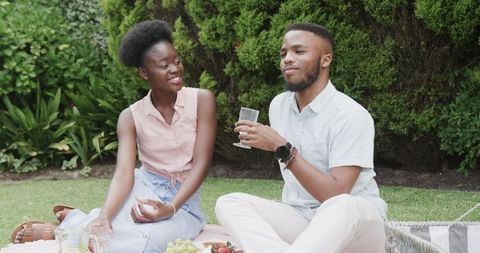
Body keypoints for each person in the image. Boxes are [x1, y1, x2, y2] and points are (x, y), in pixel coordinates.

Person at [11, 19, 217, 253]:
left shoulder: (202, 100)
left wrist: (169, 208)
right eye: (164, 65)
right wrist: (105, 217)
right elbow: (124, 173)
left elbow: (202, 163)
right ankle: (88, 220)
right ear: (144, 73)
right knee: (107, 232)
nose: (175, 69)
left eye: (177, 61)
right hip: (144, 188)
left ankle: (73, 223)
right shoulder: (130, 117)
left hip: (184, 200)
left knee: (149, 242)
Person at [215, 23, 387, 253]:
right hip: (301, 217)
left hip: (355, 226)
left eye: (299, 51)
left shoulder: (351, 116)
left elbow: (335, 194)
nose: (287, 58)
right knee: (229, 202)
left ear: (325, 60)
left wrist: (282, 148)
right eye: (283, 53)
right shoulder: (279, 105)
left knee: (343, 204)